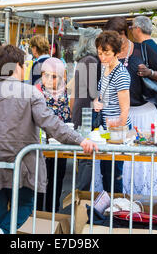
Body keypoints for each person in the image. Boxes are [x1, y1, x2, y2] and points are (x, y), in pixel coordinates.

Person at [0, 44, 97, 234]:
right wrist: (80, 140)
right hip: (23, 167)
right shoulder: (31, 93)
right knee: (25, 206)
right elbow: (52, 124)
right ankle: (3, 231)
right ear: (17, 66)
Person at [105, 16, 157, 196]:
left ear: (123, 34)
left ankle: (147, 205)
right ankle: (120, 204)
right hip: (120, 115)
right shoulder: (110, 55)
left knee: (142, 162)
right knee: (122, 165)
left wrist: (150, 72)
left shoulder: (143, 50)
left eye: (114, 38)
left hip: (144, 114)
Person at [93, 30, 131, 194]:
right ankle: (108, 209)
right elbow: (102, 94)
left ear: (116, 52)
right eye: (100, 53)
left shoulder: (121, 74)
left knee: (115, 174)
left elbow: (125, 109)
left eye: (106, 53)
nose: (102, 57)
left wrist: (116, 126)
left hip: (117, 133)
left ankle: (116, 212)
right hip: (106, 131)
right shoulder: (104, 67)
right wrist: (97, 101)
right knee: (105, 173)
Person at [35, 57, 71, 212]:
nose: (49, 80)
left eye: (54, 76)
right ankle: (36, 218)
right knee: (39, 183)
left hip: (60, 144)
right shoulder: (35, 91)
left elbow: (70, 117)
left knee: (56, 182)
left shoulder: (68, 92)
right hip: (40, 145)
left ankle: (52, 217)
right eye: (46, 75)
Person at [70, 28, 101, 191]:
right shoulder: (91, 61)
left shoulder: (85, 60)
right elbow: (93, 91)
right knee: (86, 158)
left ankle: (81, 195)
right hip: (86, 114)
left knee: (84, 157)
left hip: (82, 111)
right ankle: (81, 196)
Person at [130, 15, 157, 129]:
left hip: (150, 102)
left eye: (132, 28)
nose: (131, 31)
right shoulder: (154, 45)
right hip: (154, 101)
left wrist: (149, 73)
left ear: (138, 29)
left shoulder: (145, 47)